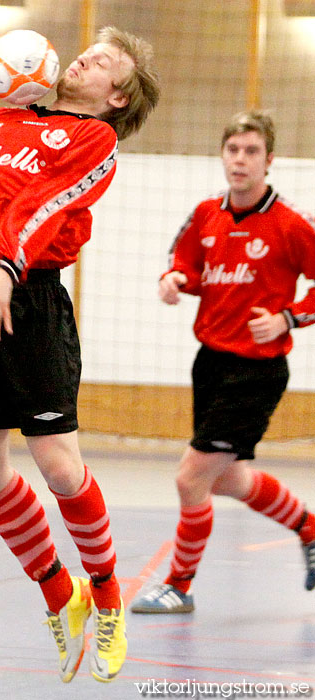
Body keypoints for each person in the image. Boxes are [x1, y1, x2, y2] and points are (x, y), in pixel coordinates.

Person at [0, 27, 160, 681]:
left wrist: (8, 268)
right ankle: (57, 593)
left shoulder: (92, 142)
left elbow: (41, 207)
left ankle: (105, 598)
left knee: (59, 466)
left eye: (102, 61)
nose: (84, 58)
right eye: (87, 50)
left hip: (28, 302)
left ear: (117, 96)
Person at [131, 109, 315, 615]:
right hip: (210, 362)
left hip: (256, 370)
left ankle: (179, 585)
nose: (240, 160)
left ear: (269, 161)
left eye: (251, 151)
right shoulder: (206, 213)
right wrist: (174, 281)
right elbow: (185, 263)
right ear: (223, 156)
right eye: (233, 150)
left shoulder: (291, 223)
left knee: (191, 478)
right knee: (228, 479)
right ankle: (311, 530)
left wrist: (288, 319)